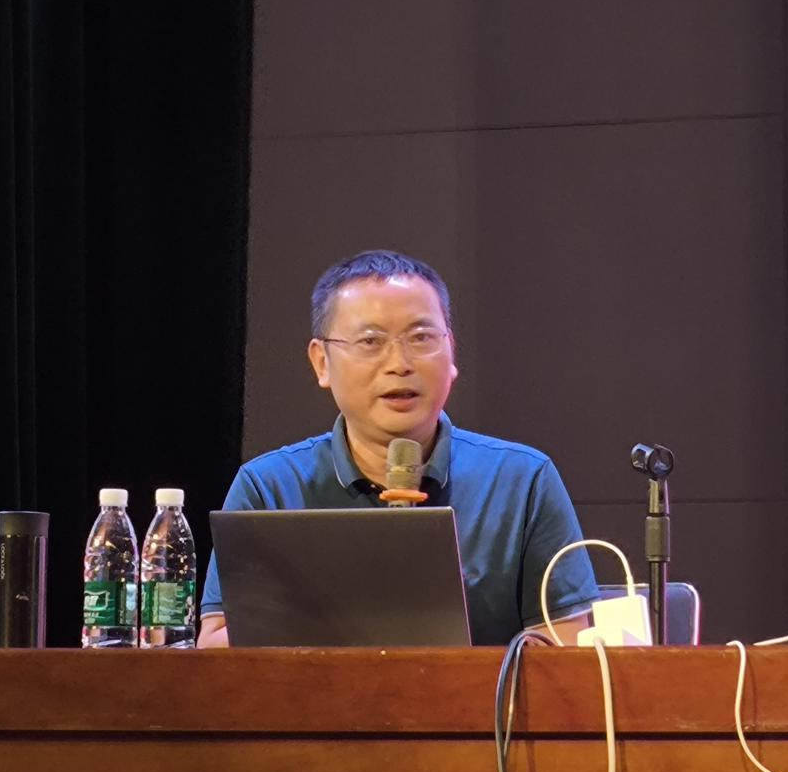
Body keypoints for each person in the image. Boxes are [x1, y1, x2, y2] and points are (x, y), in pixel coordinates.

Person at [197, 250, 597, 647]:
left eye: (421, 338)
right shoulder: (269, 488)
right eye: (370, 341)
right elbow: (215, 646)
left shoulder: (521, 481)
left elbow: (565, 642)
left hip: (482, 693)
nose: (399, 363)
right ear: (322, 362)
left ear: (452, 352)